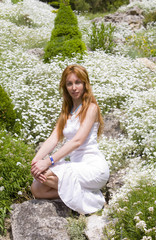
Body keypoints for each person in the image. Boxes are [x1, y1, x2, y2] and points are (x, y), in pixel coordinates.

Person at [31, 64, 109, 214]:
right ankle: (87, 194)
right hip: (75, 166)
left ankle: (95, 198)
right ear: (65, 86)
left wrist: (47, 162)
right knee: (37, 188)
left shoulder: (91, 108)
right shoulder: (66, 112)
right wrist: (35, 162)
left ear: (85, 84)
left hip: (93, 167)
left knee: (45, 175)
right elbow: (53, 138)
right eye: (69, 83)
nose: (74, 87)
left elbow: (77, 141)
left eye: (78, 82)